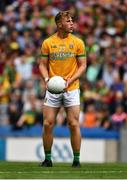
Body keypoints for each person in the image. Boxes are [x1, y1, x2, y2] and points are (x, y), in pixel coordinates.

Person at [39, 10, 86, 167]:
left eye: (72, 20)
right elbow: (42, 65)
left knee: (73, 123)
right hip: (53, 89)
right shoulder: (48, 43)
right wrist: (47, 79)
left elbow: (83, 66)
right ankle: (47, 159)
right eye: (68, 21)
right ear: (59, 24)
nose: (72, 23)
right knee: (47, 123)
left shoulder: (78, 42)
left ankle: (77, 160)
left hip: (71, 87)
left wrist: (71, 79)